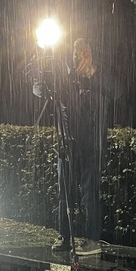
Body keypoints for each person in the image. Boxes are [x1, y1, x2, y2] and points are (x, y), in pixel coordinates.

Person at [37, 38, 109, 256]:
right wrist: (42, 60)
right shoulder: (65, 79)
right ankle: (64, 236)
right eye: (77, 53)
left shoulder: (101, 76)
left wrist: (93, 73)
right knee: (65, 192)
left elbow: (117, 90)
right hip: (67, 144)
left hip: (92, 146)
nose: (80, 57)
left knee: (90, 193)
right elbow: (40, 89)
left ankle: (92, 239)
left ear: (92, 54)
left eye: (85, 52)